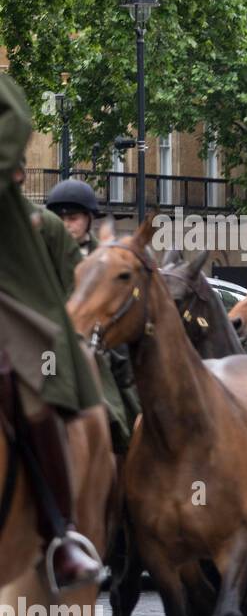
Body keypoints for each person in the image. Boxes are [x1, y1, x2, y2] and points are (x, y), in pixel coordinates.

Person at [0, 72, 105, 589]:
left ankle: (61, 533)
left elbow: (14, 115)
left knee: (27, 386)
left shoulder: (35, 222)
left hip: (10, 306)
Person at [44, 177, 139, 453]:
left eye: (72, 218)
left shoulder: (105, 259)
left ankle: (128, 443)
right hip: (48, 343)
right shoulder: (44, 255)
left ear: (88, 218)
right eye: (59, 218)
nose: (65, 224)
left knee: (123, 401)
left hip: (99, 343)